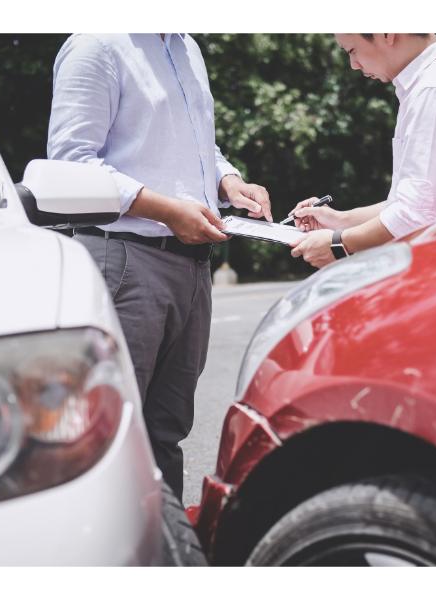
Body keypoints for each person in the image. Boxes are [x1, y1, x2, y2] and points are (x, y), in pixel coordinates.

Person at [47, 33, 271, 501]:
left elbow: (193, 146)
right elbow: (70, 164)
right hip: (125, 259)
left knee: (165, 432)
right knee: (109, 434)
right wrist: (169, 212)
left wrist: (229, 180)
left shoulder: (186, 46)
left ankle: (161, 553)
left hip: (191, 266)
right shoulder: (97, 44)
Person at [291, 34, 436, 267]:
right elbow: (419, 202)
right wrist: (341, 220)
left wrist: (339, 243)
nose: (353, 65)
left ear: (387, 33)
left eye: (352, 50)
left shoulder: (433, 91)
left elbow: (416, 214)